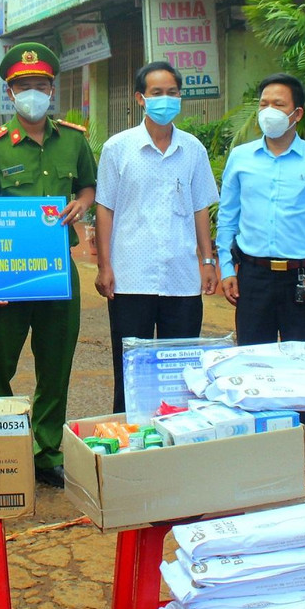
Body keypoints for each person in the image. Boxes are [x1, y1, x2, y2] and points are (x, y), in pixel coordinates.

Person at [0, 42, 96, 488]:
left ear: (52, 89)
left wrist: (80, 205)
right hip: (6, 272)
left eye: (40, 85)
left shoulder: (75, 139)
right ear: (10, 92)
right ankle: (0, 450)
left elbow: (88, 186)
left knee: (56, 361)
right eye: (23, 86)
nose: (33, 93)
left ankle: (45, 452)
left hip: (57, 269)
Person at [216, 73, 305, 487]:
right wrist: (225, 267)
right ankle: (255, 449)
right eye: (263, 103)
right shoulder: (241, 157)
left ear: (297, 113)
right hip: (252, 274)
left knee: (304, 367)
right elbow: (228, 217)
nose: (269, 112)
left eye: (278, 104)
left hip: (304, 277)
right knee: (251, 363)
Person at [95, 61, 218, 414]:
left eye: (172, 93)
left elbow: (199, 209)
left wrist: (207, 260)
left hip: (181, 277)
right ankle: (129, 435)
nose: (166, 100)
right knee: (130, 368)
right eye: (157, 93)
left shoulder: (193, 149)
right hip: (130, 276)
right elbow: (105, 208)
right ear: (140, 99)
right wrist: (105, 266)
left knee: (180, 368)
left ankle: (175, 438)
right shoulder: (117, 149)